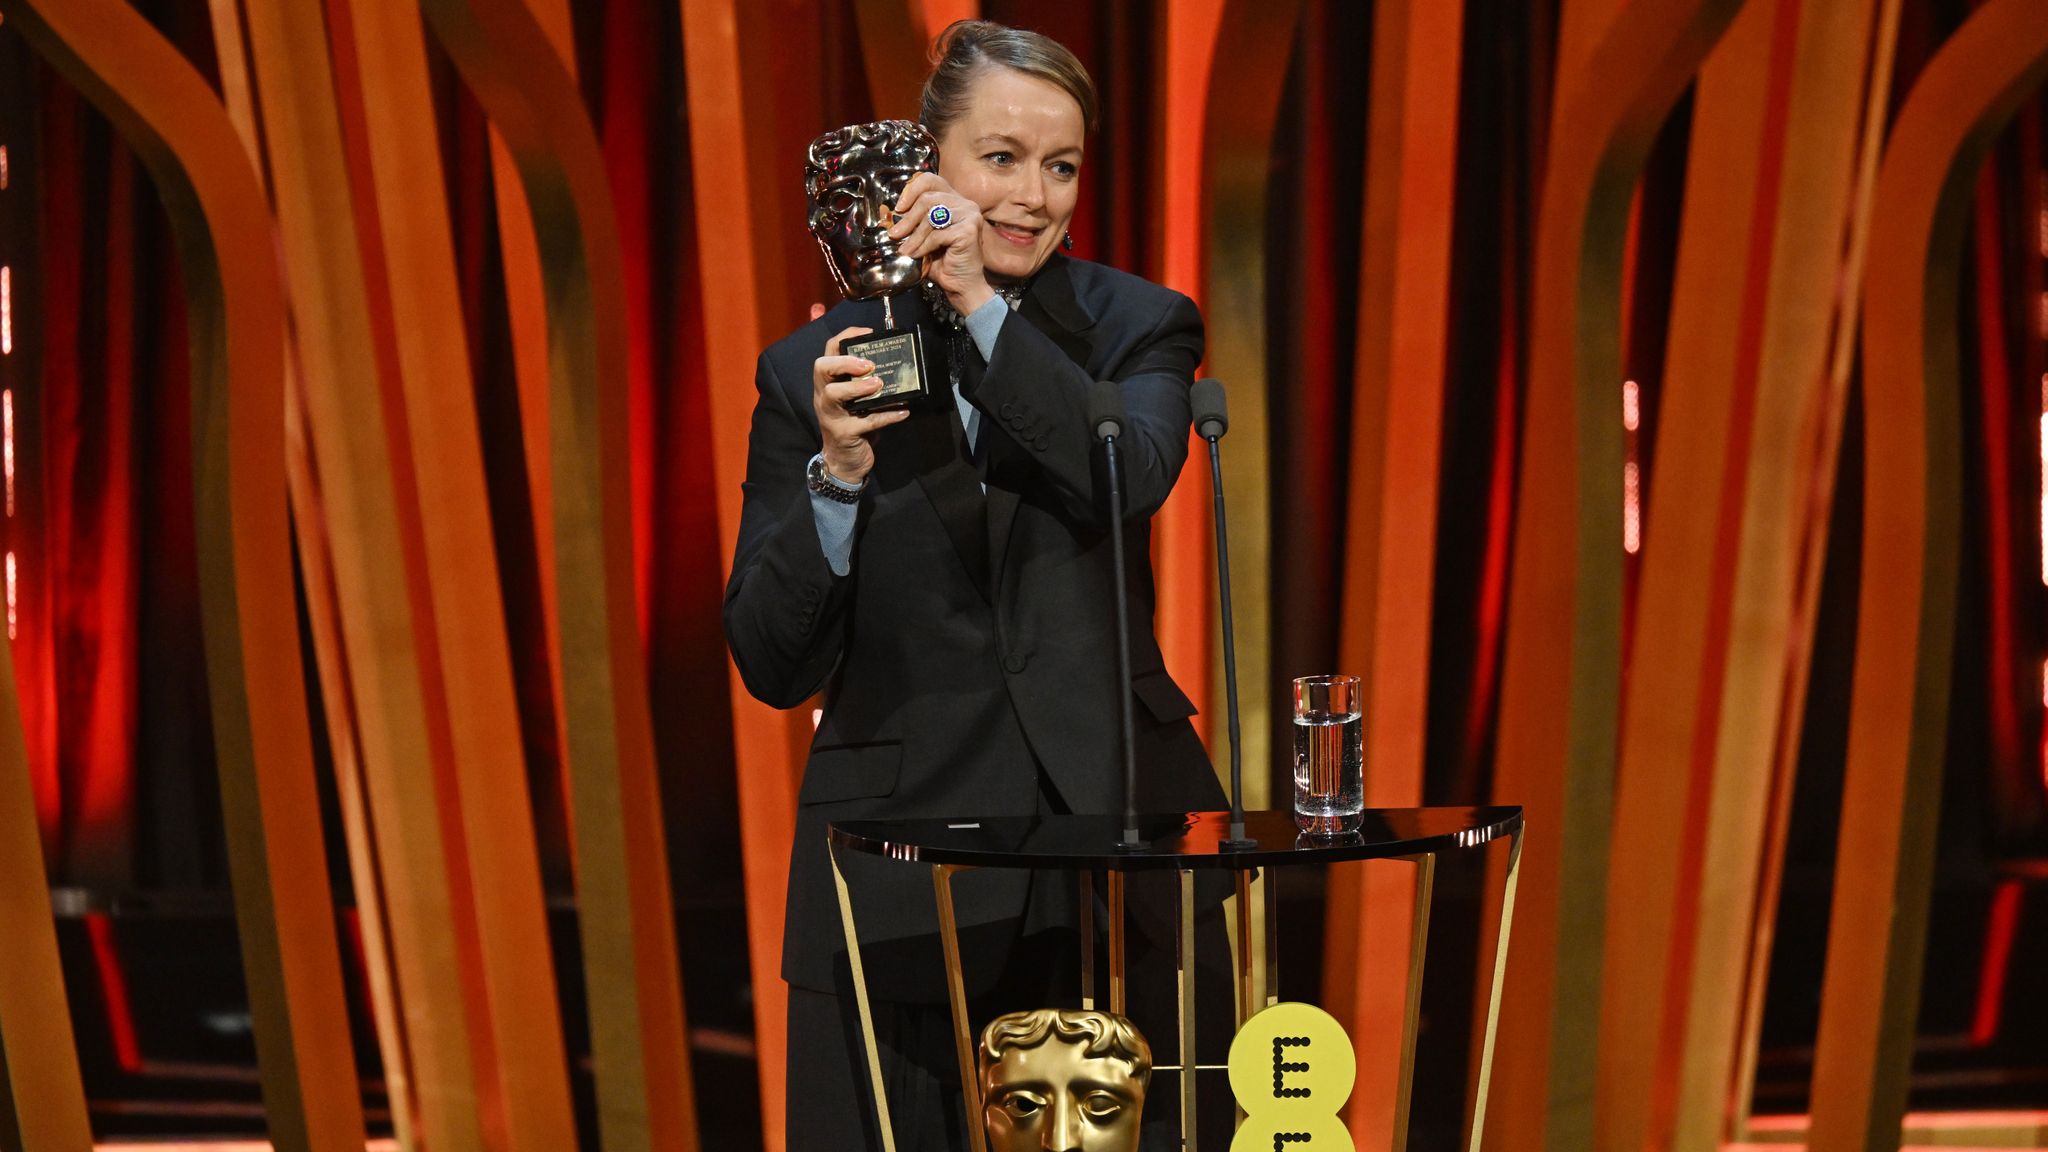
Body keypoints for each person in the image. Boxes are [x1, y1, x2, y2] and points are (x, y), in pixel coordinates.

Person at [723, 19, 1231, 1152]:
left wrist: (983, 314)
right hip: (901, 862)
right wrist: (836, 483)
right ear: (928, 167)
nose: (1032, 197)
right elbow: (768, 658)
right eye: (999, 158)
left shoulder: (1134, 325)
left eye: (1059, 167)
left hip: (1104, 844)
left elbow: (1129, 472)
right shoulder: (817, 365)